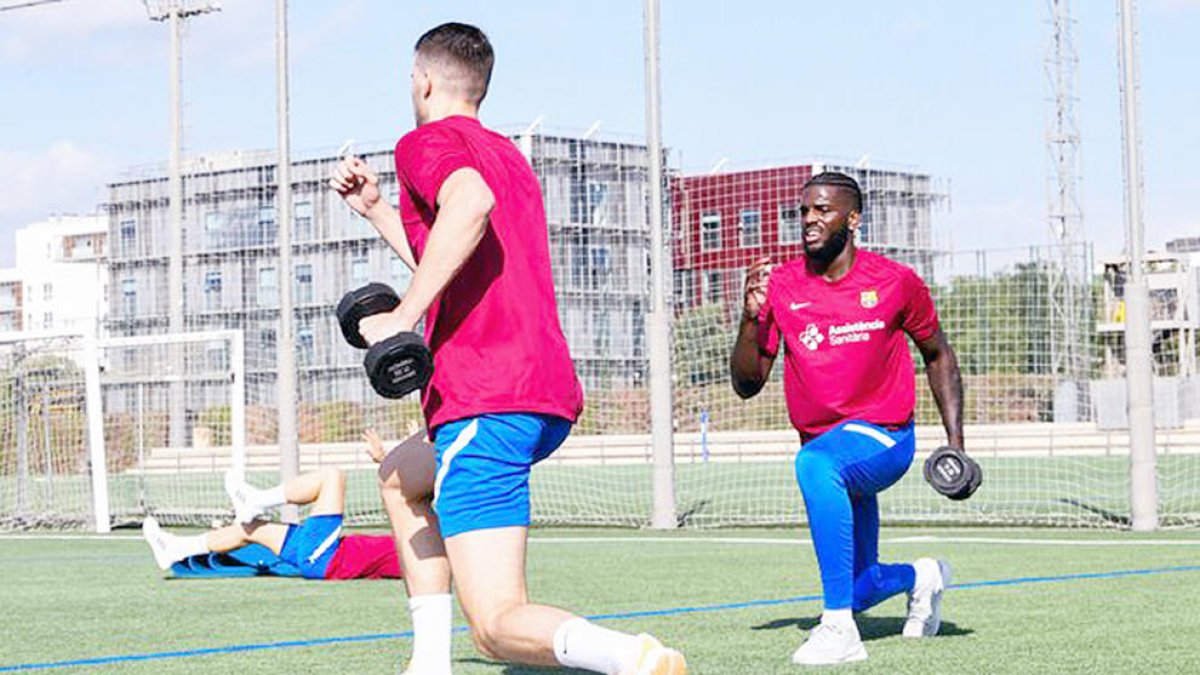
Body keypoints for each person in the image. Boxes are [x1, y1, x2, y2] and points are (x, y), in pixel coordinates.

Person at [327, 22, 686, 675]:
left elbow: (470, 203)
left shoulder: (424, 142)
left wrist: (403, 318)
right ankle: (429, 663)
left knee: (495, 625)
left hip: (484, 397)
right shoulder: (509, 156)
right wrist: (379, 210)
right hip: (539, 392)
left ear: (425, 81)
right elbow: (457, 255)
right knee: (401, 476)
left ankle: (631, 659)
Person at [730, 172, 965, 666]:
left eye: (823, 210)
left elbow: (937, 354)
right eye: (803, 211)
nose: (810, 220)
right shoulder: (782, 286)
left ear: (853, 219)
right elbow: (747, 384)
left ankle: (839, 630)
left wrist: (956, 443)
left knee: (815, 466)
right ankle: (922, 577)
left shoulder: (895, 281)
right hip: (829, 444)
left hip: (882, 439)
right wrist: (750, 319)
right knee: (860, 585)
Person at [142, 430, 403, 581]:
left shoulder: (431, 555)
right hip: (328, 551)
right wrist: (383, 459)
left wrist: (385, 461)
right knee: (251, 528)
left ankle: (257, 500)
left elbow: (403, 498)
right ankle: (175, 549)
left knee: (333, 477)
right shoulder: (428, 537)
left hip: (327, 558)